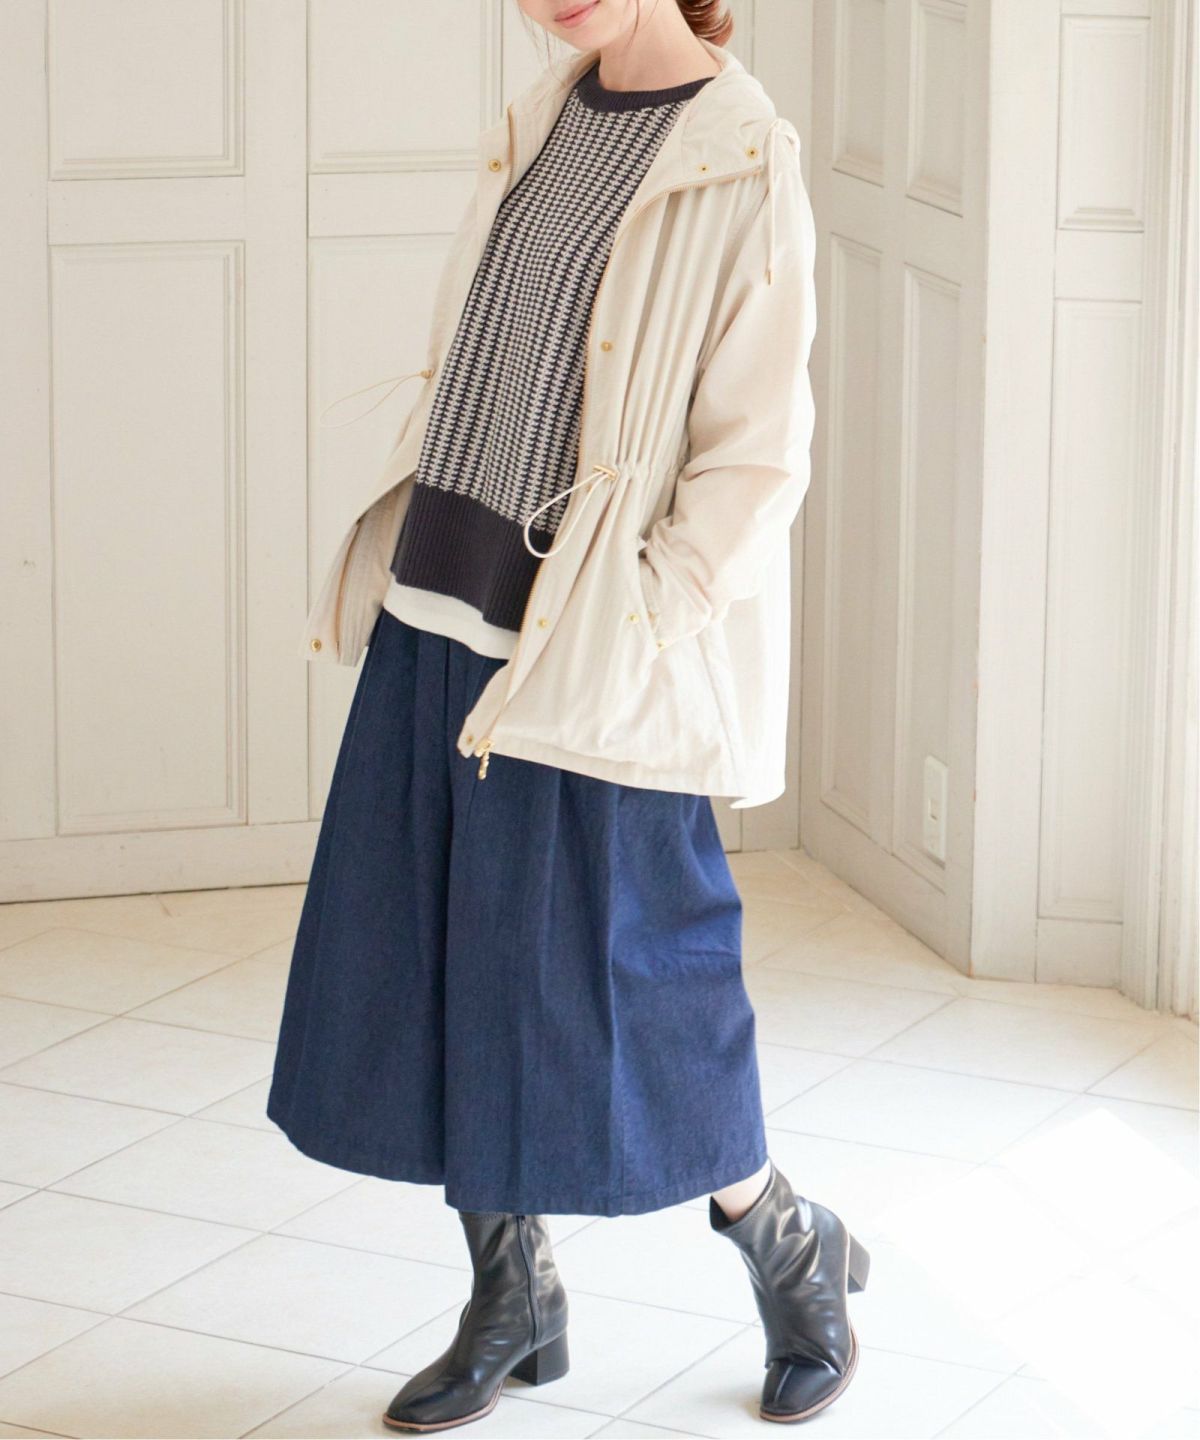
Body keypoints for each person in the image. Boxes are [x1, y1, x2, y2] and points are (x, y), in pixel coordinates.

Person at [267, 0, 869, 1428]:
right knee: (438, 951)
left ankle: (791, 1246)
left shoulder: (742, 151)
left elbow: (757, 450)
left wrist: (652, 612)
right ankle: (510, 1294)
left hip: (592, 639)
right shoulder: (547, 108)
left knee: (650, 971)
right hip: (443, 588)